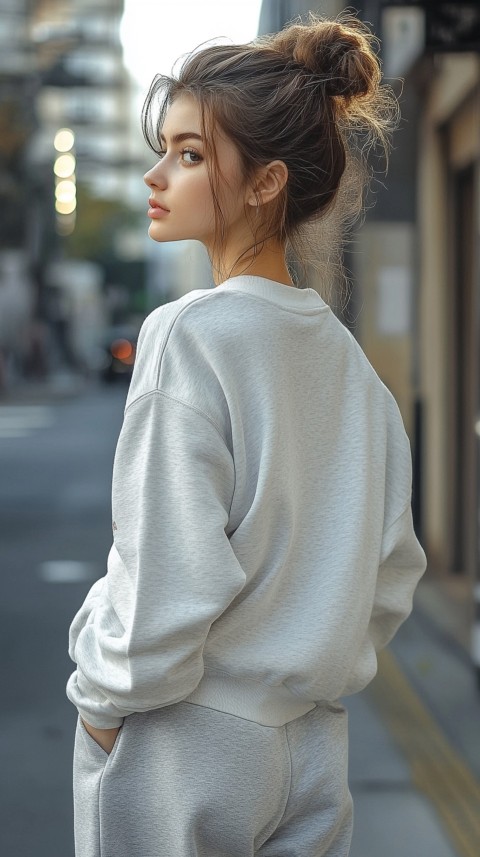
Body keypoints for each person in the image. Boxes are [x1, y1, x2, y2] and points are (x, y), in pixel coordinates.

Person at [66, 12, 427, 857]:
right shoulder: (350, 366)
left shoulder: (189, 333)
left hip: (186, 740)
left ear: (265, 182)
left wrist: (101, 702)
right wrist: (306, 655)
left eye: (190, 154)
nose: (160, 174)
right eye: (165, 148)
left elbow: (168, 571)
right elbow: (391, 572)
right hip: (312, 746)